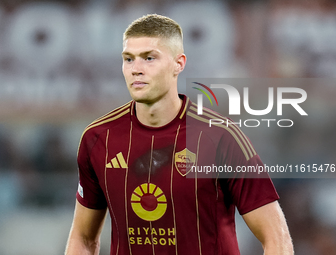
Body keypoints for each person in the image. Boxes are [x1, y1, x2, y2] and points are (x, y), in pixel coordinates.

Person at [65, 14, 293, 255]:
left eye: (149, 58)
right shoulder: (98, 138)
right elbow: (83, 238)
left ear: (179, 63)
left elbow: (277, 238)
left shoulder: (221, 137)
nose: (136, 69)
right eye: (128, 59)